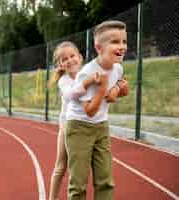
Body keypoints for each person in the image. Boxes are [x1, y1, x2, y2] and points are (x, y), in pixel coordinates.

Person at [65, 20, 129, 200]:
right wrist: (102, 90)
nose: (122, 46)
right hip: (79, 127)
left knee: (105, 180)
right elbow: (90, 111)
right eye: (115, 42)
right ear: (99, 48)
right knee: (78, 184)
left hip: (101, 126)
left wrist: (118, 90)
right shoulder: (87, 73)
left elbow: (121, 88)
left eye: (124, 41)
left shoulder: (118, 67)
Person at [48, 41, 101, 200]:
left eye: (72, 56)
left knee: (82, 169)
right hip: (68, 127)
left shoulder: (87, 73)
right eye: (64, 59)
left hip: (87, 126)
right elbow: (73, 94)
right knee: (61, 166)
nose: (70, 60)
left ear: (80, 57)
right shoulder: (64, 81)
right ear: (61, 65)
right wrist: (90, 81)